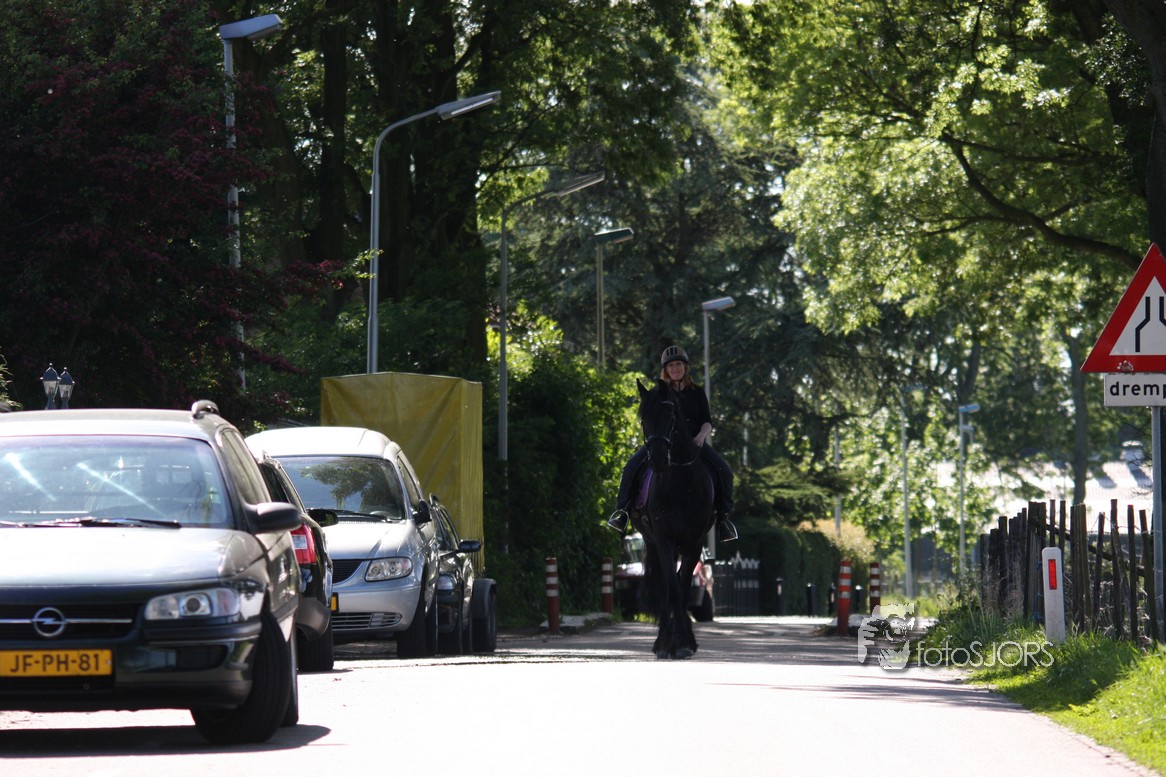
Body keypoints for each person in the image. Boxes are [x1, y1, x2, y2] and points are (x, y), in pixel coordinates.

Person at [606, 345, 737, 542]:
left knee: (724, 470)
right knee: (631, 467)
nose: (675, 369)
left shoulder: (697, 392)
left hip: (693, 443)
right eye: (671, 366)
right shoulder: (658, 393)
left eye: (678, 365)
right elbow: (650, 418)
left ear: (685, 367)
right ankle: (622, 512)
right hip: (662, 443)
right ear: (665, 369)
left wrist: (701, 437)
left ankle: (723, 520)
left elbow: (707, 421)